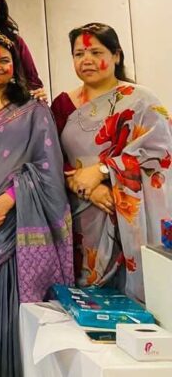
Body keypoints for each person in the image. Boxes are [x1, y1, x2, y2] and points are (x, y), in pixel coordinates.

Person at [0, 32, 73, 377]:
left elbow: (47, 165)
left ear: (15, 67)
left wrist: (9, 200)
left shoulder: (34, 110)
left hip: (17, 223)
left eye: (4, 60)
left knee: (15, 309)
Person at [51, 23, 172, 302]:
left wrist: (104, 170)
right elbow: (49, 157)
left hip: (132, 216)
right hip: (80, 216)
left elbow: (161, 152)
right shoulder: (63, 105)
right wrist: (87, 187)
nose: (87, 60)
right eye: (79, 54)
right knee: (85, 299)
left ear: (116, 55)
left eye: (96, 52)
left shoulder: (142, 100)